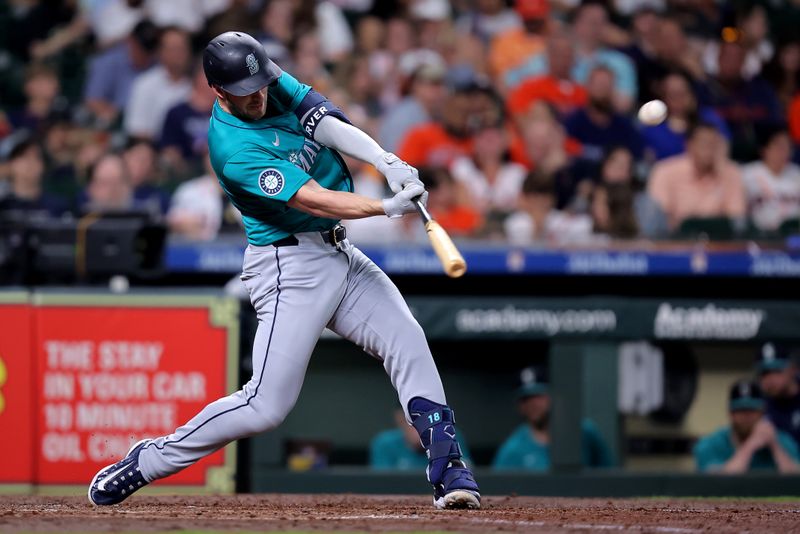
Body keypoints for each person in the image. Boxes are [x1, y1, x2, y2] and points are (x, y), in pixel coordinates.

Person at [88, 31, 480, 511]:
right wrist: (383, 205)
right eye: (244, 89)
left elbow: (326, 123)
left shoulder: (266, 81)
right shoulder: (231, 148)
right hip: (288, 266)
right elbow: (310, 199)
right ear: (218, 91)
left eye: (260, 83)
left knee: (409, 340)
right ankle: (150, 459)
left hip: (340, 255)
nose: (258, 94)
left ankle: (449, 469)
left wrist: (385, 159)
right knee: (265, 405)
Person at [492, 366, 614, 471]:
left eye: (538, 396)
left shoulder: (584, 432)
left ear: (553, 396)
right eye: (526, 399)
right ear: (520, 406)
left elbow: (609, 475)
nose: (532, 404)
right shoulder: (512, 449)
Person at [647, 121, 746, 231]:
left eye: (714, 144)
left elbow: (736, 220)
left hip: (719, 242)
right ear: (689, 145)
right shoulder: (664, 172)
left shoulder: (731, 173)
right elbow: (658, 220)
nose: (710, 150)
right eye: (704, 144)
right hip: (677, 242)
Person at [693, 379, 799, 473]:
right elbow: (719, 484)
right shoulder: (710, 445)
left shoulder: (783, 441)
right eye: (740, 410)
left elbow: (795, 482)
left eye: (752, 410)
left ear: (763, 412)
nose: (746, 416)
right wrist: (750, 445)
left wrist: (775, 446)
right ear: (730, 413)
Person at [123, 26, 192, 140]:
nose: (178, 55)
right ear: (161, 52)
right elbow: (136, 130)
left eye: (182, 49)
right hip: (152, 149)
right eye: (173, 49)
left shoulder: (197, 85)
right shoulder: (145, 84)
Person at [740, 126, 800, 232]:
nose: (784, 152)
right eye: (779, 146)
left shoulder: (797, 174)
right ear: (764, 149)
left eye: (787, 147)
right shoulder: (746, 174)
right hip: (760, 236)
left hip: (794, 236)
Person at [370, 409, 473, 470]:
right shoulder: (385, 442)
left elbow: (466, 472)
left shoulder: (449, 434)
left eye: (425, 419)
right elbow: (382, 485)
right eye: (412, 420)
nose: (419, 428)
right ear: (400, 419)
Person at [757, 343, 800, 449]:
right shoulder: (758, 405)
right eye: (765, 373)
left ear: (793, 370)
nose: (770, 379)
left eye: (777, 371)